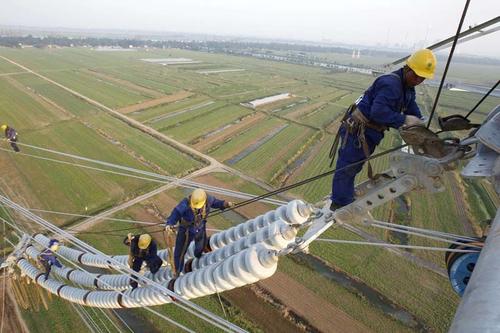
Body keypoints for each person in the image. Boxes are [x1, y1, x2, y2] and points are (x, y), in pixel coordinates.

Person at [330, 49, 436, 211]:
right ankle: (340, 203)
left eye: (422, 78)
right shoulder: (391, 85)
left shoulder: (407, 86)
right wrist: (404, 120)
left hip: (369, 132)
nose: (418, 80)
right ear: (407, 68)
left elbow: (410, 105)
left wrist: (419, 121)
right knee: (347, 167)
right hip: (358, 132)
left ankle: (344, 196)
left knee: (354, 166)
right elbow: (378, 112)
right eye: (416, 75)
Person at [165, 189, 233, 275]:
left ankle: (198, 256)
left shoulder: (208, 199)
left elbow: (216, 203)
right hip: (186, 230)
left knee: (201, 245)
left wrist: (225, 204)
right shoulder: (185, 203)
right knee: (180, 252)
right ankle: (177, 272)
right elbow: (176, 213)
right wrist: (169, 224)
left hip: (200, 227)